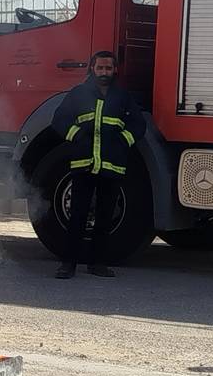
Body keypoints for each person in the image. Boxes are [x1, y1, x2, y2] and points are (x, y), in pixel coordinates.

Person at [51, 50, 146, 279]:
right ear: (92, 69)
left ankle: (98, 264)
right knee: (77, 216)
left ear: (115, 70)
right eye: (100, 68)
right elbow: (59, 120)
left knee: (104, 217)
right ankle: (68, 264)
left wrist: (124, 141)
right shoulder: (78, 93)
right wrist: (76, 135)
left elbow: (138, 124)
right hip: (83, 164)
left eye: (108, 68)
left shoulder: (123, 97)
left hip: (112, 166)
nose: (104, 73)